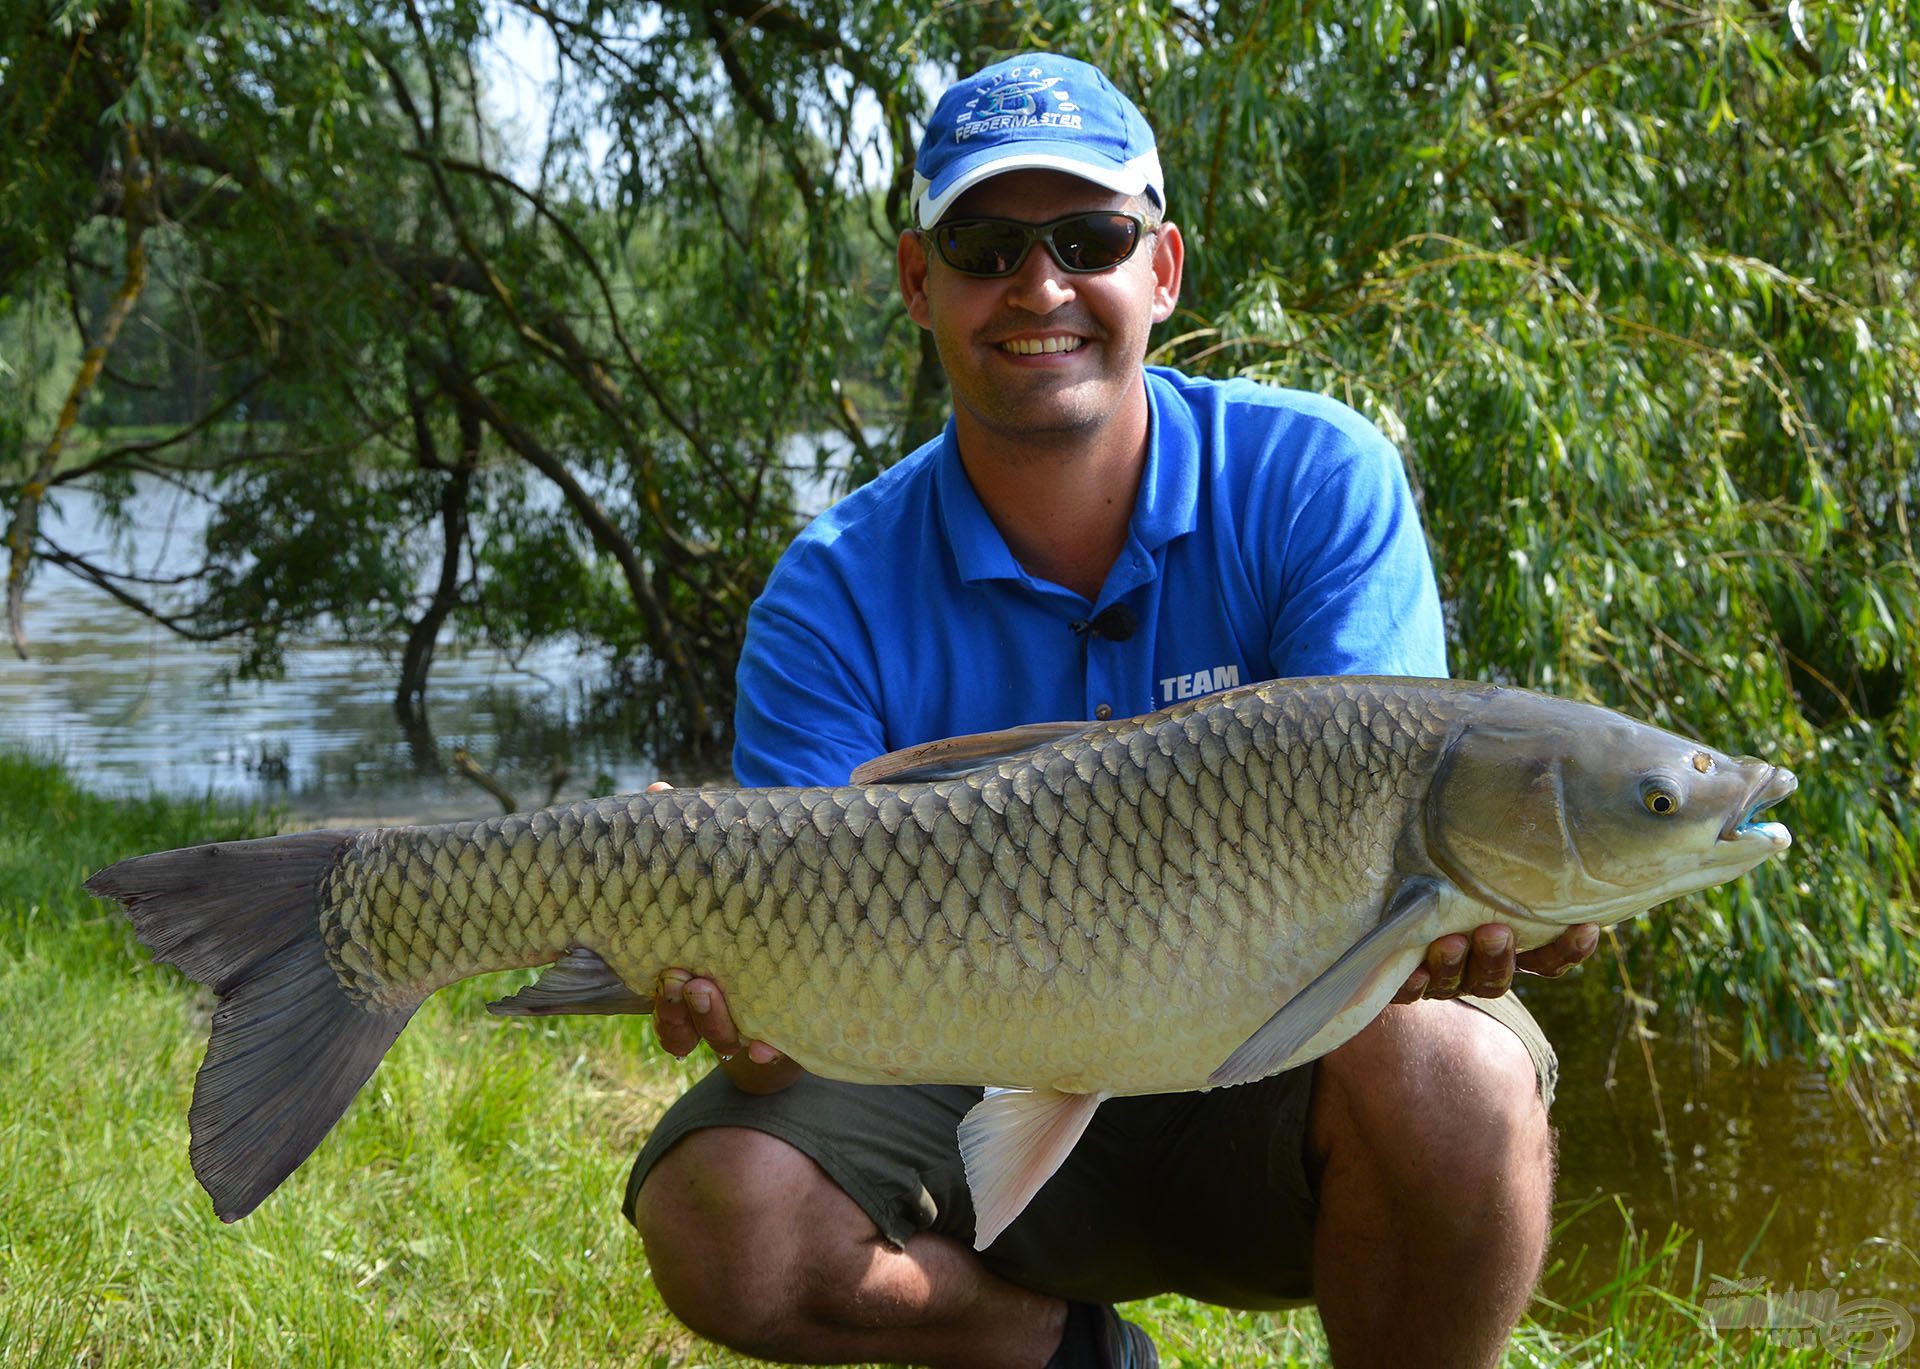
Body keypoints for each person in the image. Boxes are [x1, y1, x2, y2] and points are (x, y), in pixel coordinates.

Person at [627, 53, 1597, 1369]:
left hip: (1270, 1067)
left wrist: (1466, 920)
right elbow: (793, 1055)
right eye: (985, 245)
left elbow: (1394, 854)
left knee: (1457, 1071)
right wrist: (745, 1015)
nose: (1041, 287)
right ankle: (1067, 1354)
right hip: (965, 1098)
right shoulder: (831, 591)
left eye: (1091, 239)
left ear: (1164, 268)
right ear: (919, 281)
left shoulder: (1316, 480)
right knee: (722, 1211)